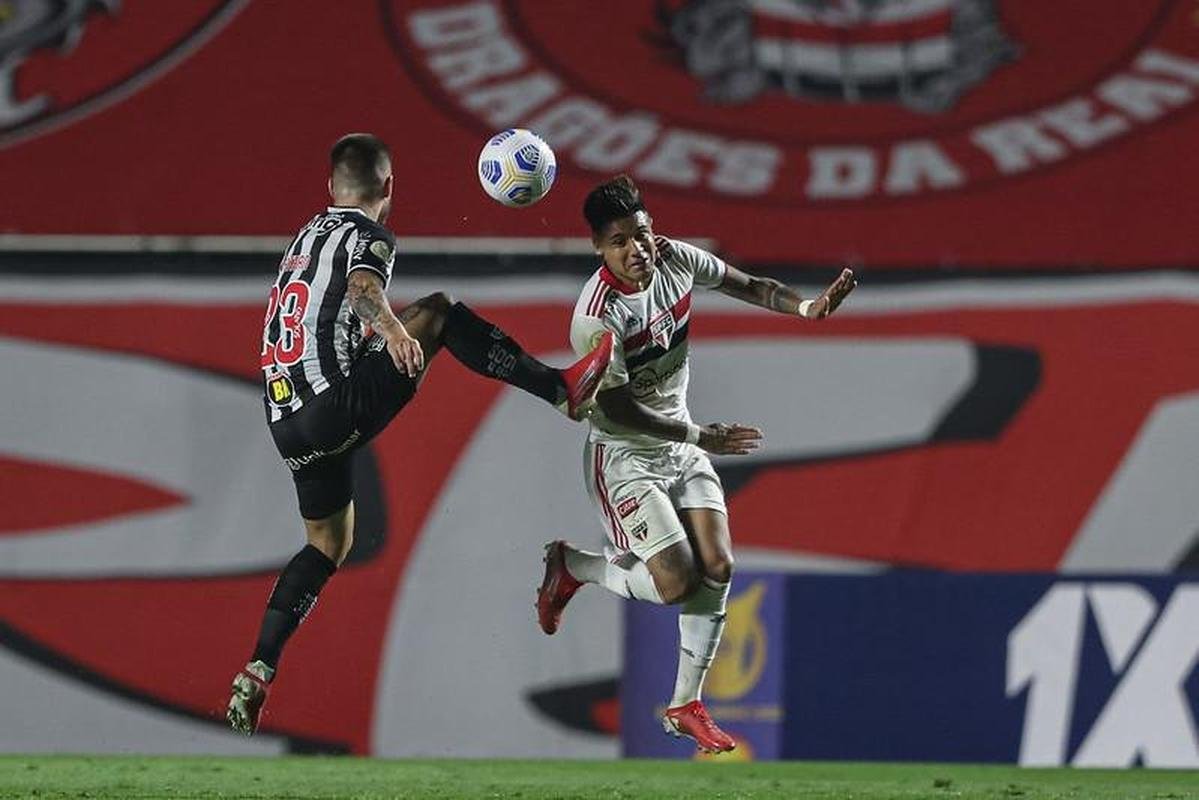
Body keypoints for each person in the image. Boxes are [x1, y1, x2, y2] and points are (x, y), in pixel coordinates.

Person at [227, 133, 614, 735]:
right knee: (436, 314)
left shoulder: (307, 236)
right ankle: (563, 390)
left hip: (285, 421)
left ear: (330, 188)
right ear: (388, 187)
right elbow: (360, 292)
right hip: (332, 404)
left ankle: (259, 665)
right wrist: (393, 329)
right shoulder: (369, 235)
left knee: (328, 544)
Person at [536, 175, 855, 753]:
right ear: (599, 250)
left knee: (721, 564)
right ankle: (574, 566)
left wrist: (806, 307)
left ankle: (686, 703)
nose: (637, 249)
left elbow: (752, 285)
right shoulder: (595, 318)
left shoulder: (677, 260)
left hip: (685, 444)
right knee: (678, 581)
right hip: (626, 458)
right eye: (619, 242)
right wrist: (700, 433)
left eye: (642, 233)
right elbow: (616, 407)